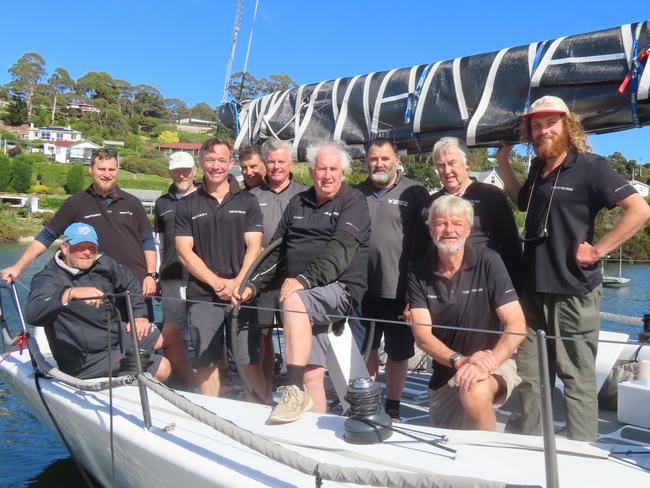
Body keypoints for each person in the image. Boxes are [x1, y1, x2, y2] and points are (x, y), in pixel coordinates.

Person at [496, 95, 650, 441]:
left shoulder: (591, 166)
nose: (542, 129)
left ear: (567, 125)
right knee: (532, 377)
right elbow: (522, 201)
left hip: (573, 291)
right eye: (536, 124)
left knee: (576, 378)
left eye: (550, 122)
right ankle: (534, 449)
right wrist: (503, 160)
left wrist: (598, 250)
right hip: (532, 289)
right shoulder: (537, 168)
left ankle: (583, 458)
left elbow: (639, 209)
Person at [237, 141, 370, 424]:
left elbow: (341, 250)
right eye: (322, 169)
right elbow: (277, 251)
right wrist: (252, 285)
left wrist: (304, 280)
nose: (328, 175)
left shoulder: (353, 201)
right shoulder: (298, 203)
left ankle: (292, 386)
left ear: (343, 173)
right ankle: (313, 432)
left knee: (294, 301)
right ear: (311, 172)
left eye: (334, 169)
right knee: (312, 371)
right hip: (304, 296)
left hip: (340, 288)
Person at [408, 196, 526, 430]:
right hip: (449, 368)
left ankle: (485, 463)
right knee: (450, 438)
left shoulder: (489, 261)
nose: (449, 230)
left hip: (494, 362)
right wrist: (461, 361)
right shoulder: (418, 271)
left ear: (468, 229)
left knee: (474, 390)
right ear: (431, 229)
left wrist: (487, 362)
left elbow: (516, 324)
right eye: (441, 223)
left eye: (457, 223)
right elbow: (422, 336)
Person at [2, 149, 159, 321]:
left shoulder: (132, 203)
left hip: (135, 287)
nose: (107, 174)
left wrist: (150, 275)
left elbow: (147, 241)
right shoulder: (75, 203)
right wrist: (18, 267)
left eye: (111, 169)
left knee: (141, 343)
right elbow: (46, 236)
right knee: (102, 341)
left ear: (117, 171)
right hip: (95, 289)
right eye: (101, 169)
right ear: (91, 170)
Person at [25, 223, 186, 381]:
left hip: (116, 339)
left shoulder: (104, 264)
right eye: (80, 247)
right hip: (88, 362)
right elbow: (33, 314)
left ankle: (192, 389)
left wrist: (139, 315)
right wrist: (70, 294)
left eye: (91, 247)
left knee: (171, 331)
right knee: (162, 367)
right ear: (65, 248)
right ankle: (148, 397)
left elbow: (130, 283)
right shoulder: (48, 278)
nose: (87, 252)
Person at [175, 138, 263, 396]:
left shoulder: (248, 201)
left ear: (231, 163)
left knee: (250, 362)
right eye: (210, 160)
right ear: (201, 163)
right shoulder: (187, 205)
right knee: (207, 362)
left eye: (221, 160)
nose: (216, 166)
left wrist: (238, 282)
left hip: (242, 294)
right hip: (203, 296)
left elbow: (255, 246)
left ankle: (257, 412)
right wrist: (216, 283)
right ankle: (210, 418)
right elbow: (183, 251)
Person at [352, 138, 430, 421]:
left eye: (385, 158)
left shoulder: (415, 192)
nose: (379, 164)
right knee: (366, 348)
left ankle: (394, 406)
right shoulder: (355, 193)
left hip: (400, 289)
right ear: (365, 161)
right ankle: (368, 404)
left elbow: (424, 246)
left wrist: (415, 295)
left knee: (399, 352)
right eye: (373, 159)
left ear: (397, 159)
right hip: (362, 288)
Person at [244, 139, 307, 402]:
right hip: (263, 279)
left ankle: (298, 391)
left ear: (291, 163)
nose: (277, 167)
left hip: (296, 279)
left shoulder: (305, 194)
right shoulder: (252, 196)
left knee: (297, 336)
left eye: (282, 161)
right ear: (265, 165)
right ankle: (264, 394)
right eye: (271, 162)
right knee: (262, 337)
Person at [430, 137, 522, 292]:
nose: (446, 171)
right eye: (440, 165)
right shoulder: (431, 203)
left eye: (452, 163)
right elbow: (421, 250)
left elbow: (510, 245)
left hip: (485, 286)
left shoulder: (491, 196)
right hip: (442, 289)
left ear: (467, 164)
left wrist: (516, 290)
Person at [153, 151, 199, 388]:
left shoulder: (206, 197)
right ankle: (179, 379)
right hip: (171, 276)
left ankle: (206, 377)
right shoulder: (162, 203)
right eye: (176, 170)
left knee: (204, 329)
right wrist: (155, 275)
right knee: (174, 331)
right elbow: (158, 241)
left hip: (202, 279)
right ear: (169, 172)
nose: (181, 174)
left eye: (186, 170)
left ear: (194, 170)